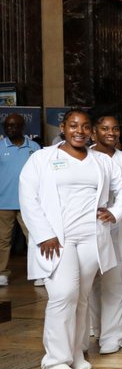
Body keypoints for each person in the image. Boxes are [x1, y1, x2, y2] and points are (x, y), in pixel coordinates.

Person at [19, 109, 122, 369]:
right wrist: (44, 233)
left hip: (92, 236)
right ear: (63, 127)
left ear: (91, 130)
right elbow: (28, 195)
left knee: (81, 297)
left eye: (84, 127)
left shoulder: (100, 161)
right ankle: (54, 360)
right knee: (63, 295)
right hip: (58, 239)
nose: (79, 131)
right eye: (73, 126)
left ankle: (76, 353)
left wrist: (114, 213)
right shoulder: (43, 158)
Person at [88, 113, 122, 355]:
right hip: (90, 230)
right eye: (105, 128)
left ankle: (113, 337)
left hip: (119, 229)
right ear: (93, 132)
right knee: (91, 283)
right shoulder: (86, 157)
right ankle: (96, 328)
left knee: (114, 283)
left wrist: (116, 213)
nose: (111, 133)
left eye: (115, 129)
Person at [0, 111, 41, 286]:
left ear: (22, 127)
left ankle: (39, 272)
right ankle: (1, 273)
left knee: (34, 238)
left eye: (15, 125)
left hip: (29, 202)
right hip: (3, 202)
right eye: (8, 125)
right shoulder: (0, 147)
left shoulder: (34, 147)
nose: (11, 128)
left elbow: (41, 174)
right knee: (3, 240)